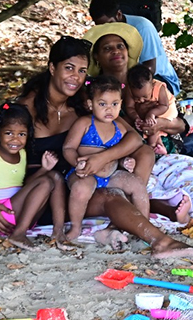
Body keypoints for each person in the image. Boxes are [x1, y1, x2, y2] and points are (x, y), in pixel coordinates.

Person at [14, 37, 193, 260]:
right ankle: (160, 241)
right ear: (51, 68)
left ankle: (139, 221)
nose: (75, 77)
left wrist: (104, 158)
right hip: (50, 190)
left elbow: (134, 138)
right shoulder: (26, 107)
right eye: (68, 68)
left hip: (92, 175)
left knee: (143, 154)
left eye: (81, 71)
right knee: (111, 196)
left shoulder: (83, 103)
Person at [0, 103, 65, 249]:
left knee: (54, 175)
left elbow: (27, 187)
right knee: (46, 182)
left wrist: (44, 169)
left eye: (21, 134)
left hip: (23, 215)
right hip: (1, 214)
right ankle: (18, 234)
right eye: (9, 133)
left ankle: (58, 231)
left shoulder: (23, 154)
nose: (15, 140)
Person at [62, 76, 149, 242]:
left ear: (121, 104)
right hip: (85, 173)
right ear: (90, 104)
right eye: (102, 104)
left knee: (136, 184)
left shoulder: (119, 126)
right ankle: (75, 226)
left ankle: (143, 224)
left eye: (114, 104)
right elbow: (68, 148)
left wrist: (126, 162)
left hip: (111, 174)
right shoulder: (85, 123)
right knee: (81, 189)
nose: (109, 109)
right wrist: (77, 162)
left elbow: (125, 150)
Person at [82, 23, 166, 181]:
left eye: (120, 46)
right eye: (107, 48)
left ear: (127, 52)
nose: (115, 51)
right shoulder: (92, 89)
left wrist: (159, 123)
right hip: (120, 152)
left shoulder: (145, 81)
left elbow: (181, 124)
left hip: (159, 147)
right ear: (96, 58)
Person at [89, 0, 181, 95]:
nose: (106, 29)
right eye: (100, 26)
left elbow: (150, 68)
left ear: (119, 15)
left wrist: (122, 85)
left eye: (109, 23)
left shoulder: (143, 27)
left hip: (160, 79)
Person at [126, 64, 178, 155]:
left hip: (166, 109)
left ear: (152, 85)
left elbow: (164, 105)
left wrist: (151, 113)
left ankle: (152, 146)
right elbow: (130, 107)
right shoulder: (129, 89)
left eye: (145, 96)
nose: (141, 100)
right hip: (152, 111)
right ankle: (160, 146)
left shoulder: (159, 87)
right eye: (136, 97)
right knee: (147, 123)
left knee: (152, 124)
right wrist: (136, 118)